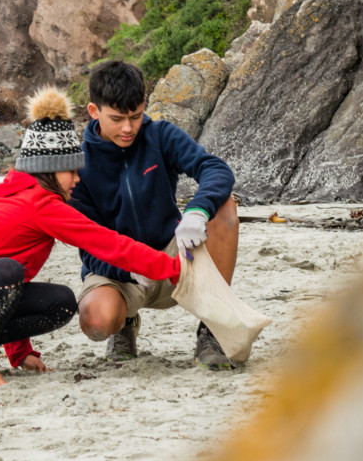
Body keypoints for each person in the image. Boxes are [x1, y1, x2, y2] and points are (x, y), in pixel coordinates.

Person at [0, 87, 182, 388]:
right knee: (8, 271)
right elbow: (107, 243)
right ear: (50, 170)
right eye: (71, 171)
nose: (77, 179)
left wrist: (20, 353)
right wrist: (170, 267)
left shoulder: (22, 190)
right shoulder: (40, 204)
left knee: (61, 302)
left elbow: (15, 283)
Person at [70, 60, 240, 369]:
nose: (128, 128)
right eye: (117, 118)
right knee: (96, 320)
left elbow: (214, 169)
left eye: (135, 116)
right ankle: (123, 326)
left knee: (225, 208)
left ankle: (213, 330)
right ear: (93, 111)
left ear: (144, 105)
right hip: (119, 268)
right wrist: (128, 267)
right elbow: (88, 246)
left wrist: (196, 213)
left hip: (174, 255)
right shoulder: (78, 164)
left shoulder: (160, 135)